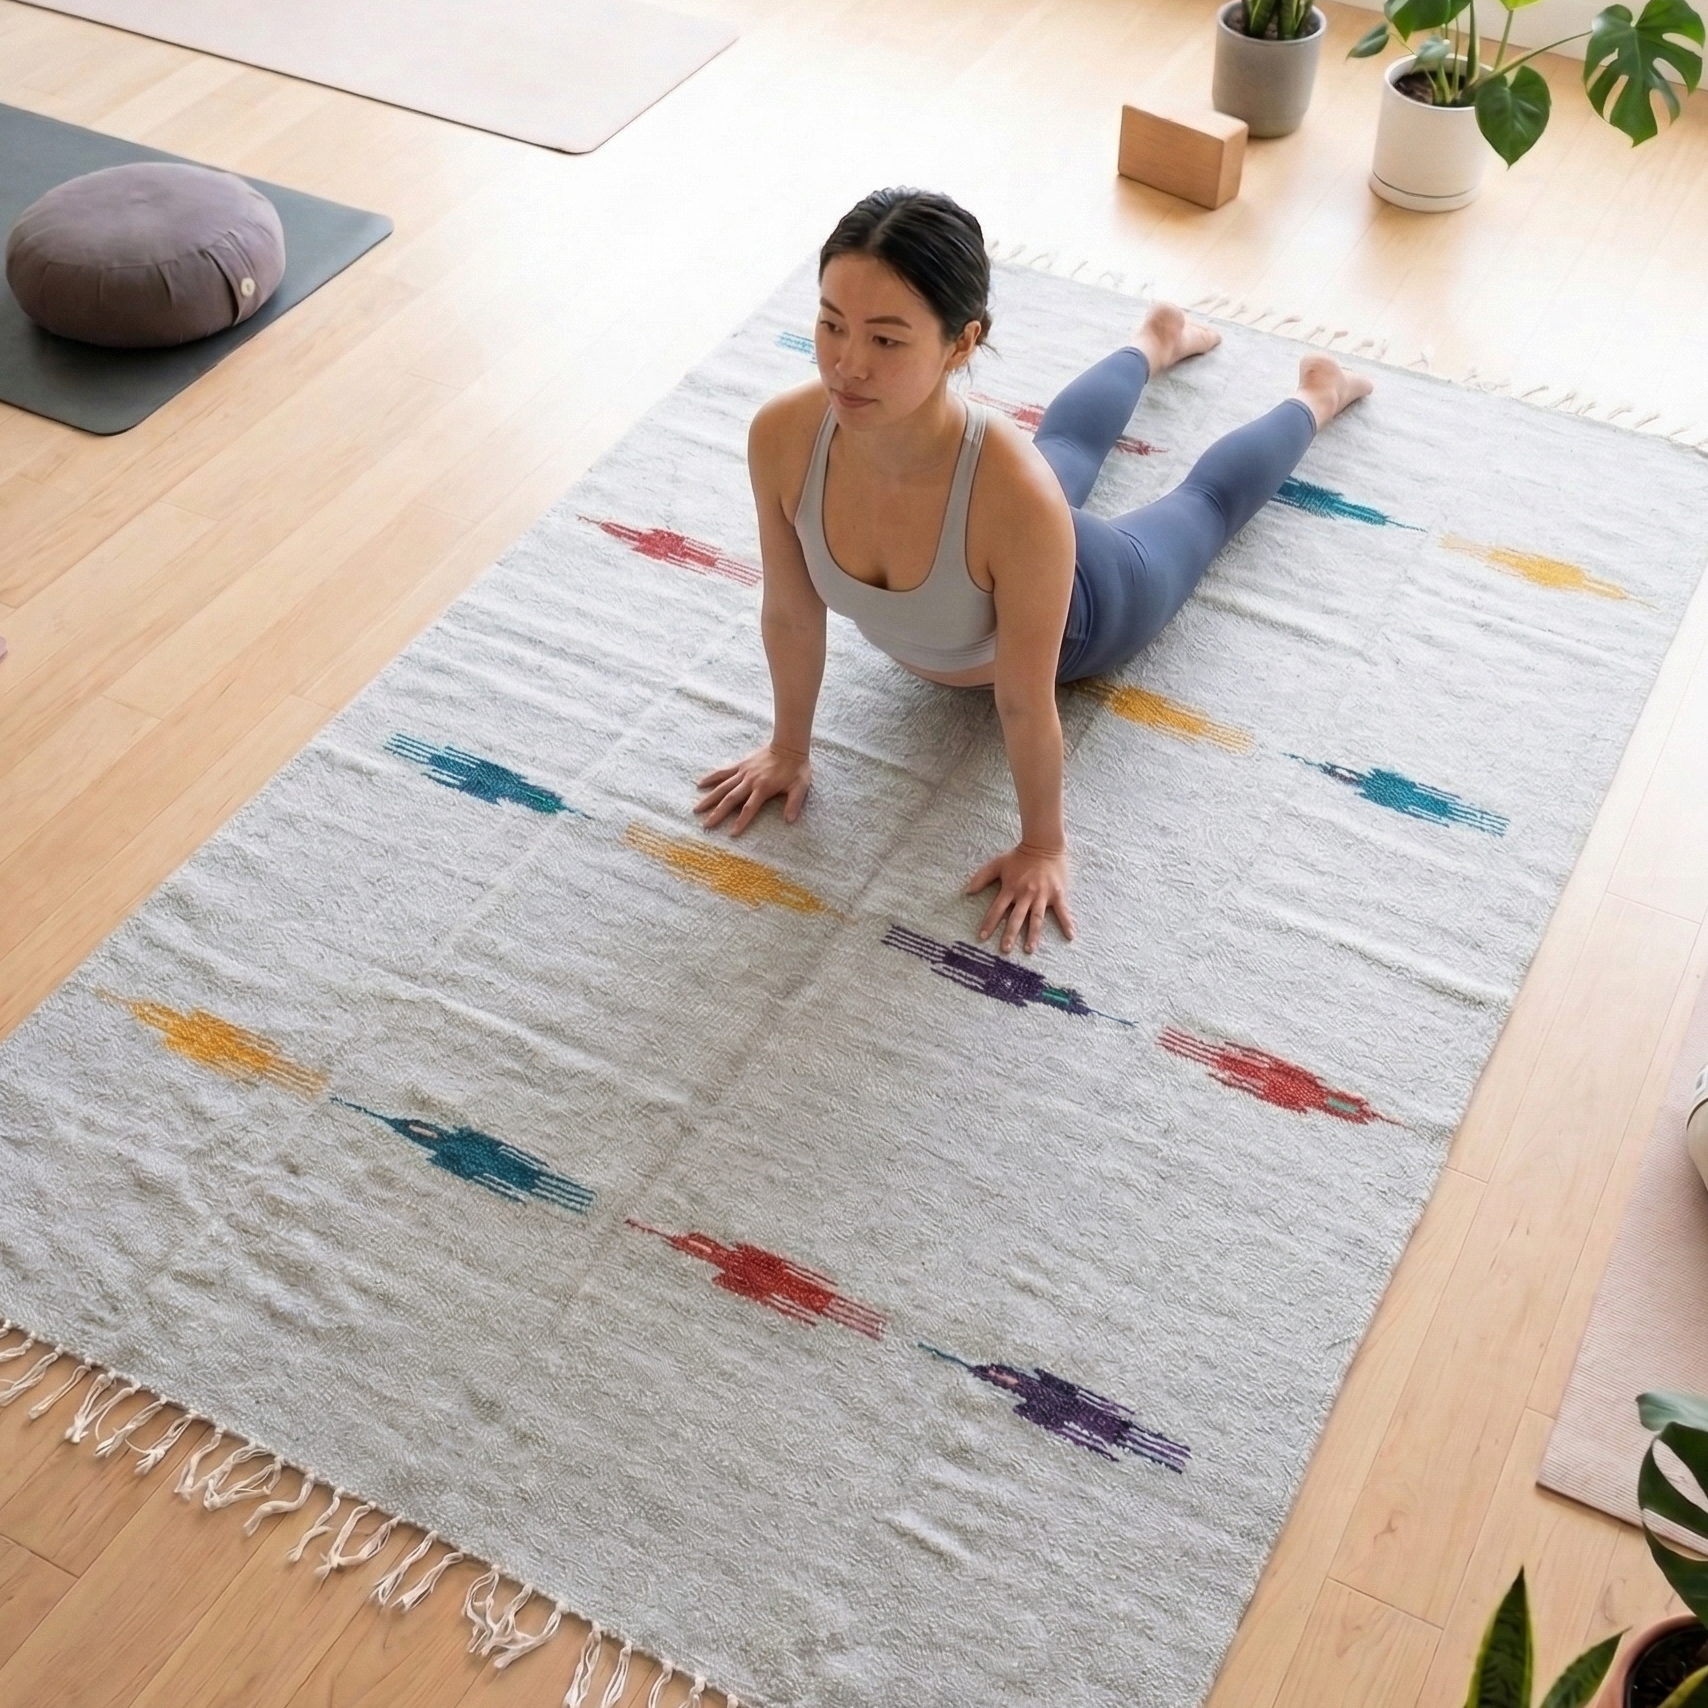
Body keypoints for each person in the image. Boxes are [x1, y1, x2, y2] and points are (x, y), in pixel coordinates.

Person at [695, 187, 1372, 954]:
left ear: (962, 344)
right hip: (1000, 532)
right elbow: (791, 612)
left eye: (885, 339)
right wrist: (788, 749)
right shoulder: (783, 435)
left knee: (1203, 506)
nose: (847, 365)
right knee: (1068, 451)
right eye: (831, 324)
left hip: (1091, 600)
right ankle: (1155, 339)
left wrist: (1043, 845)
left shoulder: (1015, 498)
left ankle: (1319, 393)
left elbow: (1022, 701)